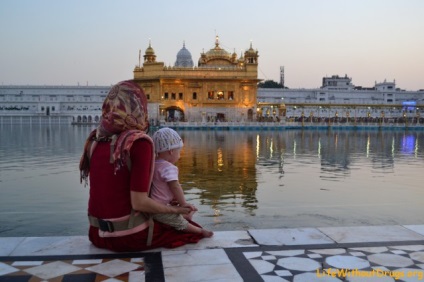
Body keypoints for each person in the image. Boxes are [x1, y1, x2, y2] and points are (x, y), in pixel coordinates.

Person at [79, 80, 206, 252]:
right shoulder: (138, 142)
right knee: (188, 228)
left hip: (95, 234)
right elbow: (139, 203)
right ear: (138, 107)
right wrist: (175, 211)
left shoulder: (95, 139)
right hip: (129, 237)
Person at [151, 127, 213, 238]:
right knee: (179, 223)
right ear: (171, 151)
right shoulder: (169, 167)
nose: (179, 156)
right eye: (179, 152)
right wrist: (183, 203)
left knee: (174, 214)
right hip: (159, 209)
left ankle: (185, 215)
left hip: (154, 205)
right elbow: (175, 186)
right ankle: (200, 231)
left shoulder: (154, 164)